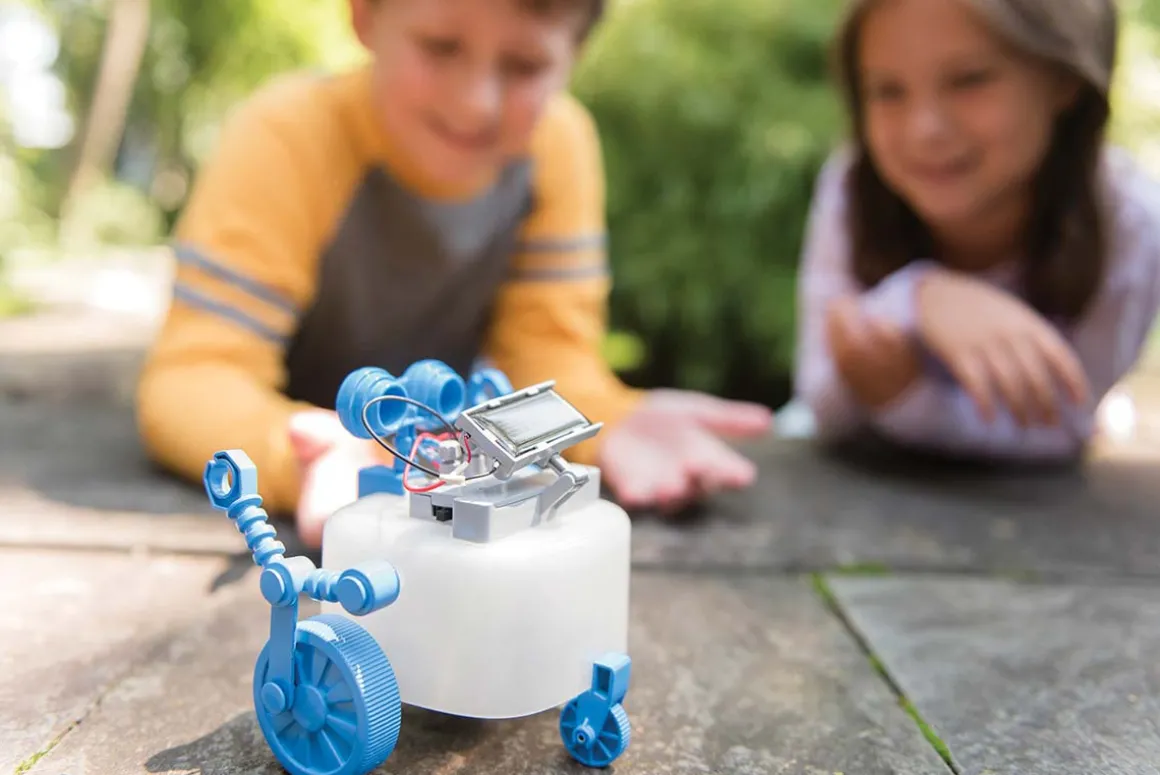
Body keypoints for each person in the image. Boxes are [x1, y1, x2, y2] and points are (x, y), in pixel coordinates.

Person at [135, 0, 773, 547]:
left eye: (524, 67)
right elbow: (196, 375)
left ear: (573, 57)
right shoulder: (287, 135)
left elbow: (547, 357)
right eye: (441, 46)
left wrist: (609, 422)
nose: (475, 103)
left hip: (437, 472)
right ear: (365, 15)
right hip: (330, 458)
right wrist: (299, 455)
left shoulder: (558, 145)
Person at [793, 0, 1160, 461]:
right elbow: (822, 400)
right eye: (887, 91)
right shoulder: (853, 184)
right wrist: (916, 298)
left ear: (1064, 80)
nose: (924, 129)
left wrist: (911, 399)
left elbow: (1062, 427)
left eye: (969, 80)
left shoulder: (1130, 223)